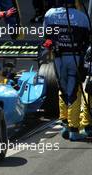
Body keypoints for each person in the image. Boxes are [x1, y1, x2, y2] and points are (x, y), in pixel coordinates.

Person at [43, 0, 90, 141]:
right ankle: (74, 131)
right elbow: (87, 41)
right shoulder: (82, 17)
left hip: (58, 59)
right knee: (74, 92)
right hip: (74, 58)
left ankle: (65, 124)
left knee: (62, 90)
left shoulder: (49, 14)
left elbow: (46, 39)